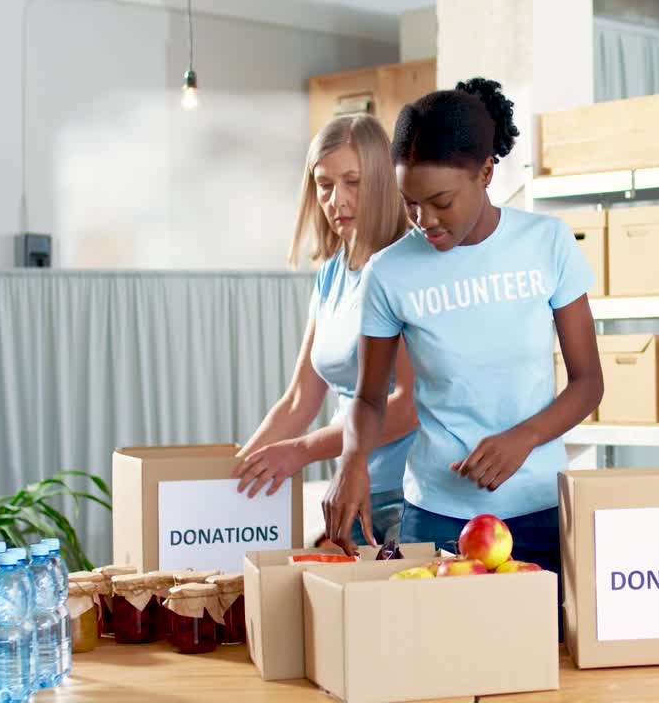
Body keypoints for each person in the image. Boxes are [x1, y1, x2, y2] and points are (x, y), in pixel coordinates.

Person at [322, 78, 603, 576]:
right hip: (434, 518)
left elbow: (588, 384)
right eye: (410, 202)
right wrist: (352, 458)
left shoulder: (548, 243)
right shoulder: (388, 272)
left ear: (486, 172)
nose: (423, 219)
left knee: (543, 654)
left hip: (539, 511)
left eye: (441, 201)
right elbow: (368, 399)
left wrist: (524, 438)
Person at [234, 114, 419, 547]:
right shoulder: (331, 275)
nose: (337, 199)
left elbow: (408, 405)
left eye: (352, 181)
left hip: (409, 496)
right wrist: (237, 473)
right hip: (351, 492)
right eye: (325, 184)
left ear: (381, 180)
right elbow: (300, 399)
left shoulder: (409, 265)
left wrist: (301, 451)